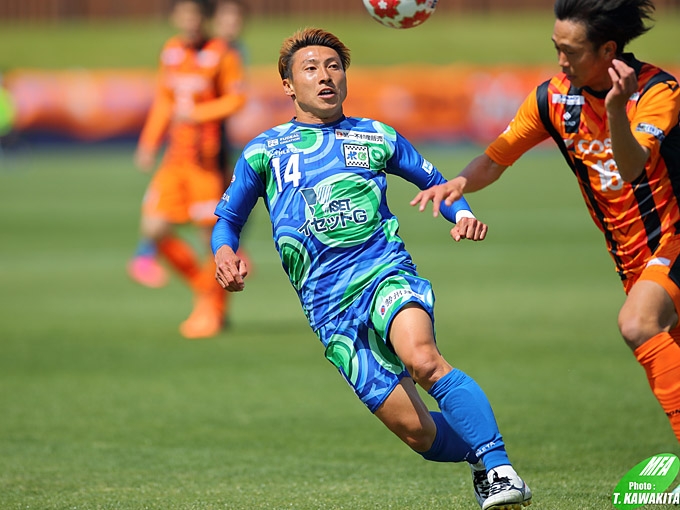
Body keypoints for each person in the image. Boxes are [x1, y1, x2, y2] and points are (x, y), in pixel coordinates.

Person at [211, 28, 532, 510]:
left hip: (385, 276)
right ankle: (482, 455)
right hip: (329, 310)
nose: (325, 76)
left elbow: (435, 182)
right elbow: (228, 220)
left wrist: (462, 214)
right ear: (288, 85)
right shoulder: (265, 150)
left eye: (333, 67)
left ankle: (501, 468)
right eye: (311, 69)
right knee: (418, 434)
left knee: (424, 360)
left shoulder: (375, 136)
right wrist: (224, 253)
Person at [413, 0, 680, 444]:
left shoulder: (657, 92)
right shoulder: (553, 98)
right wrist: (457, 183)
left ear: (608, 50)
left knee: (638, 323)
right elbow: (496, 159)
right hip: (630, 259)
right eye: (556, 47)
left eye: (571, 51)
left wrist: (616, 110)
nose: (561, 60)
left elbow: (632, 167)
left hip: (672, 238)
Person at [129, 0, 246, 339]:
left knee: (211, 238)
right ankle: (203, 286)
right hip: (175, 160)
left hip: (207, 161)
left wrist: (198, 115)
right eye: (184, 15)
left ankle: (214, 310)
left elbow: (236, 99)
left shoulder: (222, 53)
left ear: (205, 19)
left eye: (195, 15)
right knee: (153, 228)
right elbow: (164, 100)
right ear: (175, 17)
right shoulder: (171, 51)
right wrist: (149, 142)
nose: (190, 21)